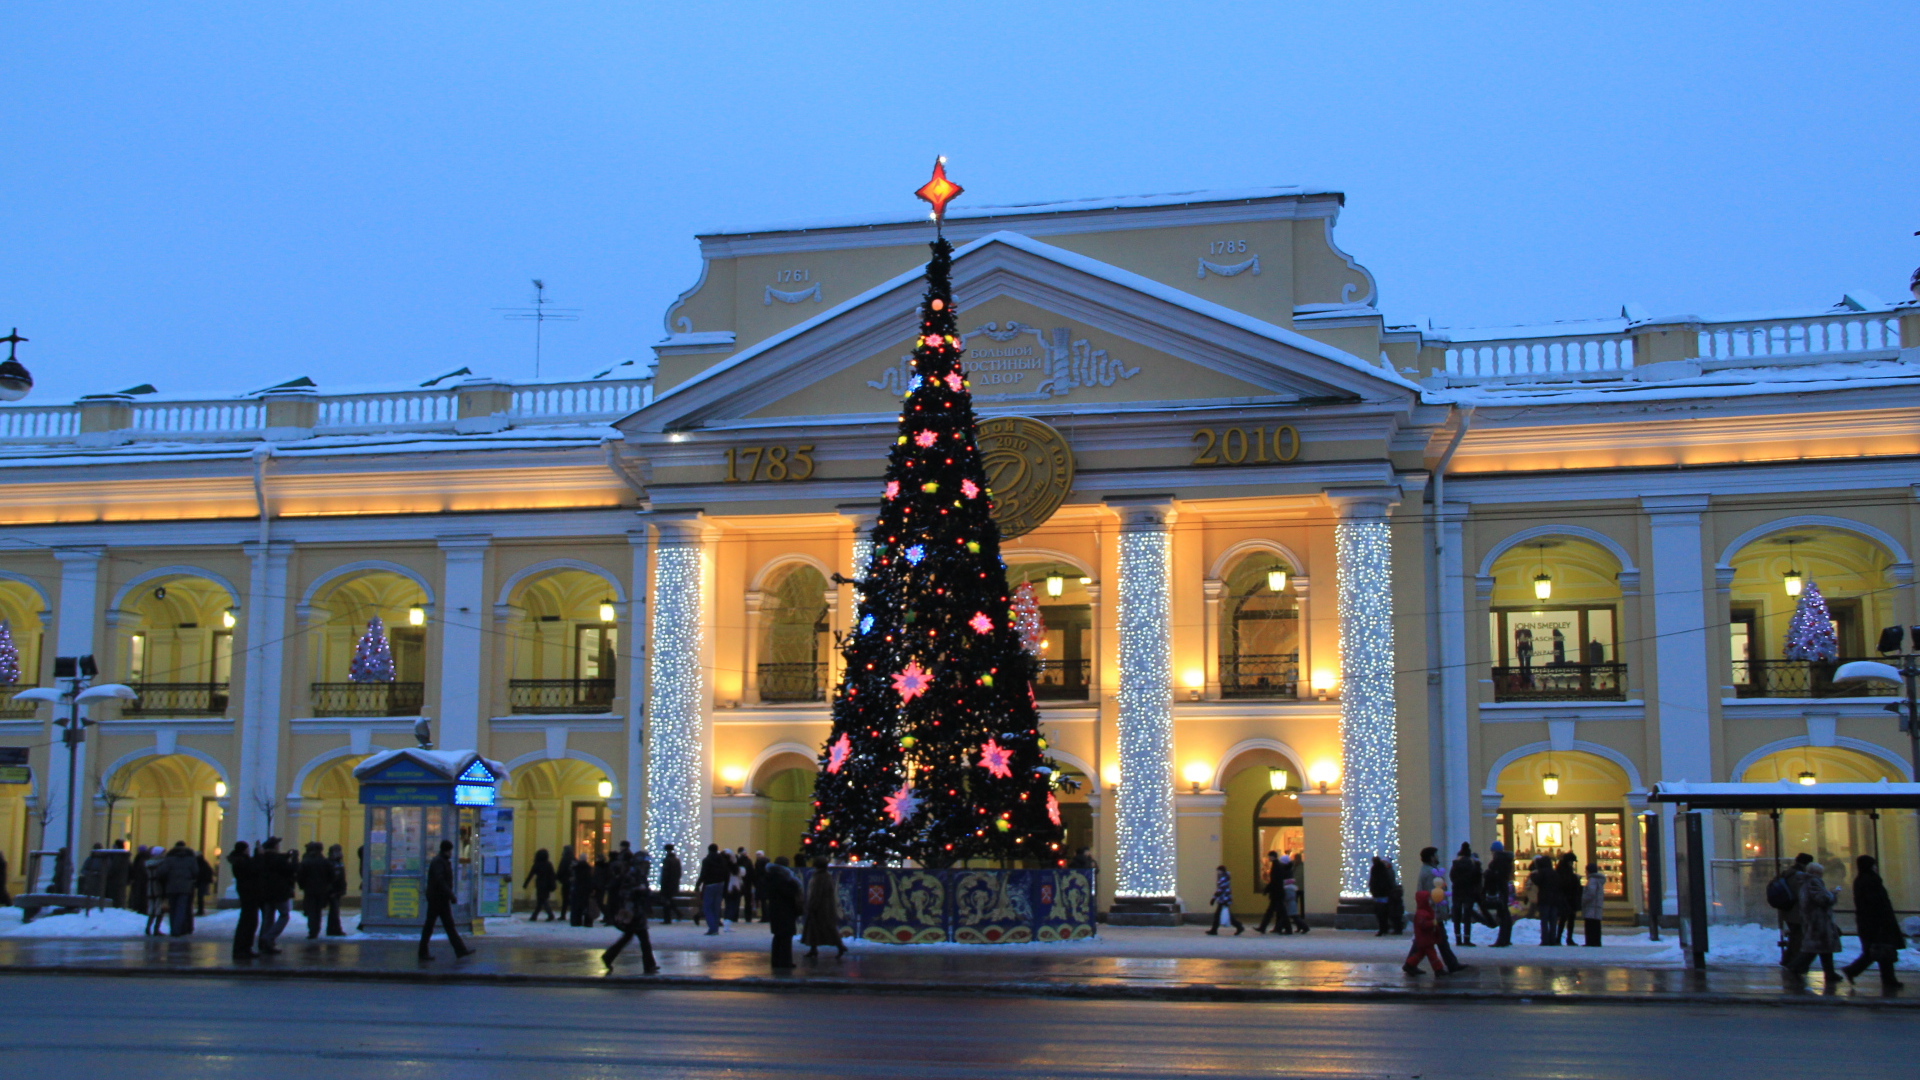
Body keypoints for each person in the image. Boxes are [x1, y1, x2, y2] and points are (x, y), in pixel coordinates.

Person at [1841, 854, 1905, 989]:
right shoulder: (1871, 880)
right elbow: (1877, 903)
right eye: (1874, 865)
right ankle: (1886, 979)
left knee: (1877, 951)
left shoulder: (1861, 880)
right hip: (1877, 923)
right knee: (1881, 950)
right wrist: (1883, 921)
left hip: (1869, 922)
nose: (1876, 867)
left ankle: (1886, 979)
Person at [601, 850, 659, 974]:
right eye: (645, 864)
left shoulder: (639, 875)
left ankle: (608, 957)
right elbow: (625, 892)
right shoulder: (632, 875)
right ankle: (649, 966)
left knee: (630, 938)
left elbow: (644, 892)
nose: (647, 866)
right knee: (643, 939)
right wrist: (639, 891)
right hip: (633, 913)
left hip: (637, 912)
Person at [1786, 861, 1841, 984]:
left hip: (1815, 920)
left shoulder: (1806, 882)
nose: (1821, 875)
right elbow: (1822, 899)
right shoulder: (1813, 882)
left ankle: (1829, 972)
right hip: (1818, 920)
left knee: (1822, 948)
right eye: (1820, 873)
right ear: (1815, 873)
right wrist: (1833, 894)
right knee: (1816, 948)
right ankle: (1795, 967)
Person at [418, 839, 473, 960]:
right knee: (433, 926)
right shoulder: (439, 862)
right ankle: (423, 952)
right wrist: (451, 895)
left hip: (439, 898)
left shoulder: (442, 861)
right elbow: (440, 881)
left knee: (446, 926)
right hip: (438, 899)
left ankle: (460, 950)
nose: (451, 853)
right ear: (447, 850)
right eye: (450, 850)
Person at [1416, 847, 1465, 972]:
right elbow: (1434, 894)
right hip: (1433, 912)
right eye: (1436, 855)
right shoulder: (1430, 873)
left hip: (1432, 911)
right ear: (1432, 857)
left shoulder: (1430, 871)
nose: (1438, 857)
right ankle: (1452, 964)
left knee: (1432, 939)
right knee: (1438, 939)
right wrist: (1439, 911)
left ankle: (1452, 963)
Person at [801, 856, 846, 959]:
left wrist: (812, 905)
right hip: (825, 907)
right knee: (820, 928)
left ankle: (839, 946)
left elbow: (816, 893)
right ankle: (814, 949)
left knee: (823, 928)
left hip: (820, 907)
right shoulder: (825, 876)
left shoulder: (820, 877)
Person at [1776, 852, 1815, 965]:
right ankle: (1793, 962)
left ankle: (1788, 960)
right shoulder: (1798, 875)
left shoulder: (1788, 873)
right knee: (1798, 938)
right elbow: (1800, 894)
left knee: (1795, 937)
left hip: (1789, 910)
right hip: (1795, 912)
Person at [764, 856, 803, 968]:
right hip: (785, 910)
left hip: (775, 910)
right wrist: (795, 885)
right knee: (786, 937)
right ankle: (785, 961)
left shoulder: (770, 876)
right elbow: (789, 892)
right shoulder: (784, 878)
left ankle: (776, 961)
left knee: (777, 936)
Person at [257, 838, 295, 953]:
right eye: (278, 844)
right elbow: (290, 870)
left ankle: (266, 943)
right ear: (274, 846)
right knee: (284, 915)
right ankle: (269, 937)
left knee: (268, 917)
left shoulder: (262, 858)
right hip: (280, 892)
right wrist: (293, 859)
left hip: (265, 892)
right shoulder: (278, 859)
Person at [1402, 886, 1449, 977]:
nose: (1430, 901)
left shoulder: (1424, 911)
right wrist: (1432, 923)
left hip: (1426, 938)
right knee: (1432, 955)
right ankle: (1438, 969)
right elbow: (1423, 925)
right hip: (1425, 938)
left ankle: (1409, 965)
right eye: (1428, 899)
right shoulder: (1422, 913)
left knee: (1420, 953)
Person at [229, 841, 262, 959]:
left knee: (248, 920)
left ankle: (244, 947)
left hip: (247, 892)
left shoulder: (239, 860)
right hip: (249, 892)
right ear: (244, 850)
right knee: (248, 921)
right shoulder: (242, 861)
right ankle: (242, 948)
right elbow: (254, 869)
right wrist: (258, 855)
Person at [159, 841, 198, 936]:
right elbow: (196, 872)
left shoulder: (169, 859)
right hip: (186, 887)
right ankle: (178, 929)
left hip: (171, 886)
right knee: (182, 908)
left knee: (172, 909)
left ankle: (174, 929)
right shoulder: (191, 859)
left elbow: (161, 872)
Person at [297, 841, 333, 940]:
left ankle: (312, 930)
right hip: (322, 890)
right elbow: (331, 875)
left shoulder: (306, 861)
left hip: (309, 890)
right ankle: (316, 929)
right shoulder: (325, 862)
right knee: (318, 910)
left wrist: (302, 886)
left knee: (311, 910)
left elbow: (300, 876)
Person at [1449, 842, 1482, 947]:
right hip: (1468, 891)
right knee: (1467, 915)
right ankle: (1467, 939)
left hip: (1457, 891)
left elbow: (1452, 877)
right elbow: (1478, 877)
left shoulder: (1455, 864)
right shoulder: (1472, 864)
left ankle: (1458, 939)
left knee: (1457, 915)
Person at [1484, 841, 1515, 947]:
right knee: (1505, 913)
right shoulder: (1507, 860)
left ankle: (1502, 940)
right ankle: (1506, 938)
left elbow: (1495, 876)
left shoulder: (1498, 861)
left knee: (1503, 914)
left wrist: (1488, 874)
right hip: (1503, 888)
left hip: (1499, 889)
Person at [1255, 851, 1290, 934]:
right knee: (1275, 912)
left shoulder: (1276, 866)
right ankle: (1263, 927)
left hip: (1276, 893)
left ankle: (1288, 929)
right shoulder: (1277, 865)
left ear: (1273, 857)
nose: (1268, 858)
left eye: (1269, 856)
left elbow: (1274, 881)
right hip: (1277, 893)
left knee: (1278, 912)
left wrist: (1267, 889)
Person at [1527, 856, 1560, 946]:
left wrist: (1533, 874)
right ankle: (1552, 939)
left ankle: (1545, 940)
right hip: (1554, 899)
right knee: (1553, 921)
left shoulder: (1541, 872)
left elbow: (1537, 881)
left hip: (1544, 898)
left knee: (1544, 921)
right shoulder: (1554, 873)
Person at [698, 842, 730, 935]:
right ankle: (715, 927)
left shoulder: (707, 860)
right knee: (716, 907)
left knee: (708, 907)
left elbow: (703, 874)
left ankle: (712, 928)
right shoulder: (722, 860)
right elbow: (726, 873)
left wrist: (698, 884)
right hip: (720, 884)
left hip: (709, 885)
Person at [1368, 856, 1402, 936]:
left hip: (1380, 894)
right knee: (1386, 912)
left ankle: (1385, 928)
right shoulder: (1385, 870)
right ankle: (1389, 928)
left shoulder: (1377, 869)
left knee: (1382, 913)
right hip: (1384, 894)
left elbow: (1374, 881)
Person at [1554, 852, 1581, 945]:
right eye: (1572, 862)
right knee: (1567, 919)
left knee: (1564, 919)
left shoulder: (1560, 869)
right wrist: (1575, 879)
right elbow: (1566, 883)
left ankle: (1560, 938)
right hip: (1567, 897)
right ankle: (1566, 938)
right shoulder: (1565, 871)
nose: (1573, 863)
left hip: (1565, 897)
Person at [523, 849, 558, 921]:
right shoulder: (549, 864)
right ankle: (535, 916)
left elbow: (530, 875)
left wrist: (525, 884)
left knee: (542, 900)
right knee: (542, 900)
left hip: (540, 885)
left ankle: (548, 915)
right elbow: (553, 875)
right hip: (547, 885)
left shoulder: (536, 864)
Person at [325, 844, 349, 936]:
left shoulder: (339, 863)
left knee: (335, 911)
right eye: (337, 851)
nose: (340, 853)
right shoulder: (331, 863)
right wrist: (331, 891)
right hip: (333, 891)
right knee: (334, 911)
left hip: (337, 890)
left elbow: (342, 878)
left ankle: (333, 929)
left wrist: (343, 888)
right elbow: (329, 878)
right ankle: (335, 929)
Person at [1580, 862, 1606, 947]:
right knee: (1596, 926)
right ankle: (1596, 942)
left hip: (1591, 907)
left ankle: (1590, 942)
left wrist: (1583, 900)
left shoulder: (1592, 880)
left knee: (1590, 925)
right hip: (1596, 906)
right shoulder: (1598, 880)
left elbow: (1590, 893)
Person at [144, 847, 168, 934]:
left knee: (151, 909)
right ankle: (156, 929)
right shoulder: (161, 863)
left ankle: (148, 927)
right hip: (159, 887)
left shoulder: (148, 863)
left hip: (150, 887)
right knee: (159, 909)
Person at [658, 844, 683, 924]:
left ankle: (668, 918)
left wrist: (663, 884)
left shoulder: (667, 860)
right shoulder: (676, 860)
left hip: (667, 884)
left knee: (666, 901)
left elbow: (666, 873)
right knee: (669, 900)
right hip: (673, 883)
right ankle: (678, 913)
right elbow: (679, 873)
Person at [570, 855, 595, 927]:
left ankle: (576, 921)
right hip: (586, 889)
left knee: (576, 906)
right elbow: (590, 880)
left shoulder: (576, 868)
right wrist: (591, 889)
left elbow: (574, 878)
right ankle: (588, 922)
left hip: (577, 889)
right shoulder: (589, 868)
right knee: (587, 906)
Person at [127, 846, 151, 917]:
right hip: (144, 882)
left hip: (139, 882)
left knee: (140, 897)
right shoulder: (147, 858)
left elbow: (135, 870)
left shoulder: (139, 858)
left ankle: (139, 909)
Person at [556, 845, 576, 923]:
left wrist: (560, 879)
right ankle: (573, 914)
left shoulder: (564, 859)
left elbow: (560, 870)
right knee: (572, 899)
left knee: (565, 899)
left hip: (565, 882)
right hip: (573, 882)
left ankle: (563, 914)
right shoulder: (574, 859)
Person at [723, 849, 744, 923]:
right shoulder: (733, 865)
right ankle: (729, 918)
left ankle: (728, 918)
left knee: (728, 903)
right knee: (732, 904)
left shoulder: (723, 864)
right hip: (733, 886)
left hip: (727, 886)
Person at [753, 850, 772, 923]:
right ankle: (766, 916)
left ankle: (765, 917)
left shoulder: (759, 863)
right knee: (764, 902)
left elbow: (757, 873)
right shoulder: (767, 863)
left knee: (763, 901)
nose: (757, 856)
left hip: (761, 884)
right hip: (765, 884)